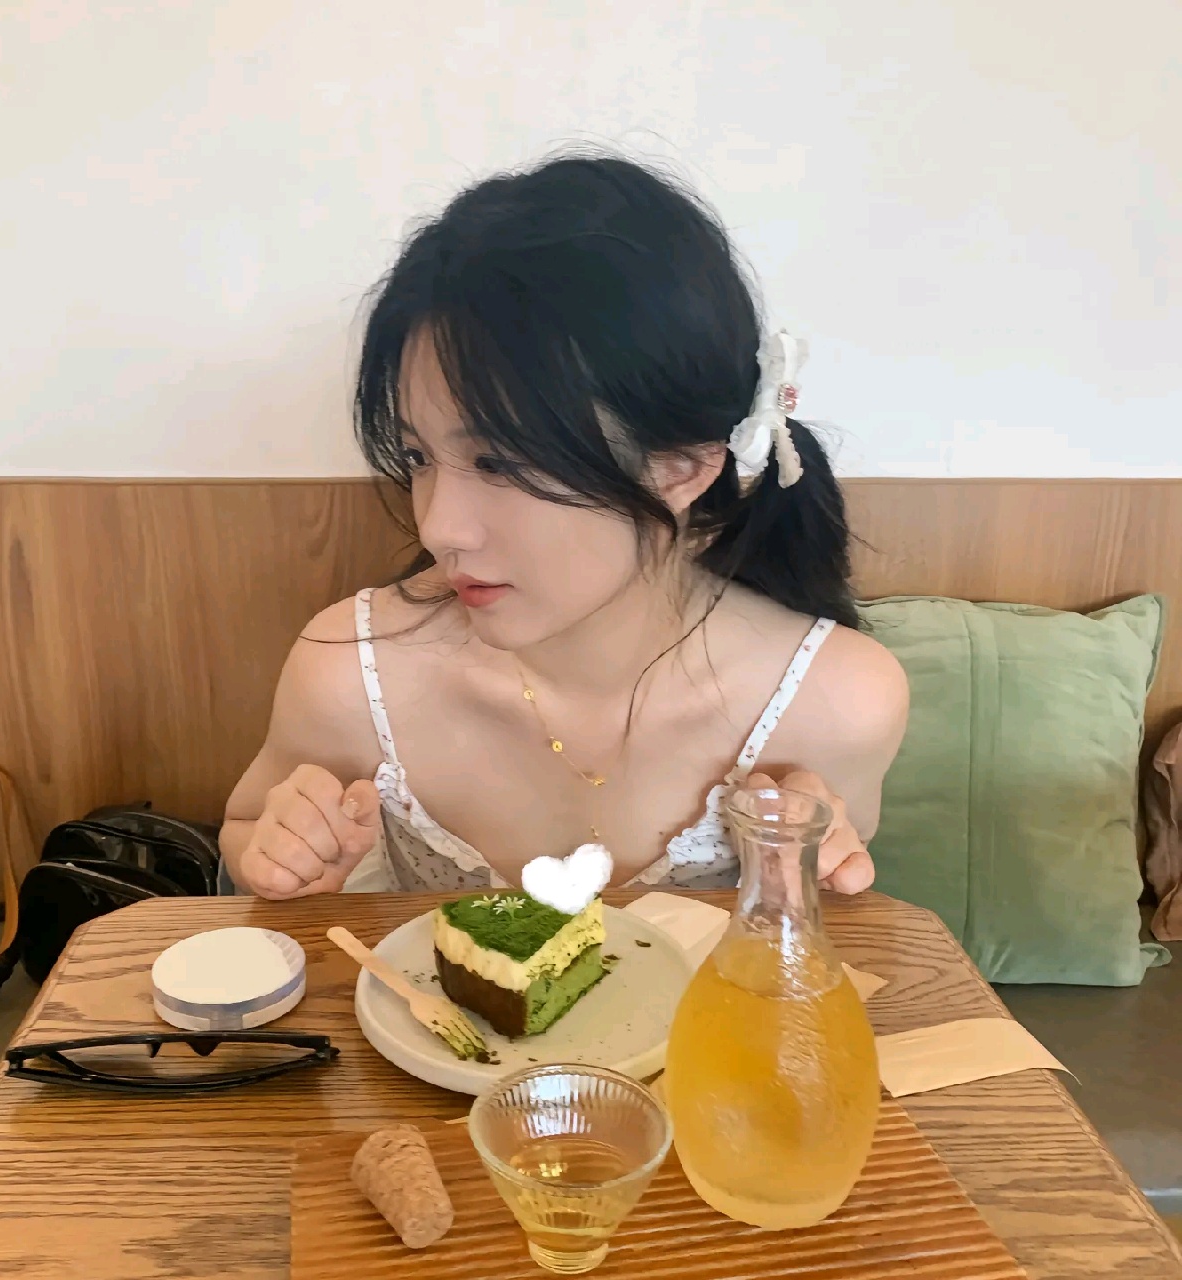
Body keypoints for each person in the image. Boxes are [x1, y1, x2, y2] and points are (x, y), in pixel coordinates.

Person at [220, 150, 908, 901]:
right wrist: (287, 858)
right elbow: (248, 830)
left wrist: (798, 873)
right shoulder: (349, 673)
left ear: (681, 467)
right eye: (417, 456)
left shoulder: (837, 701)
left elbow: (825, 931)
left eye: (499, 462)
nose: (440, 528)